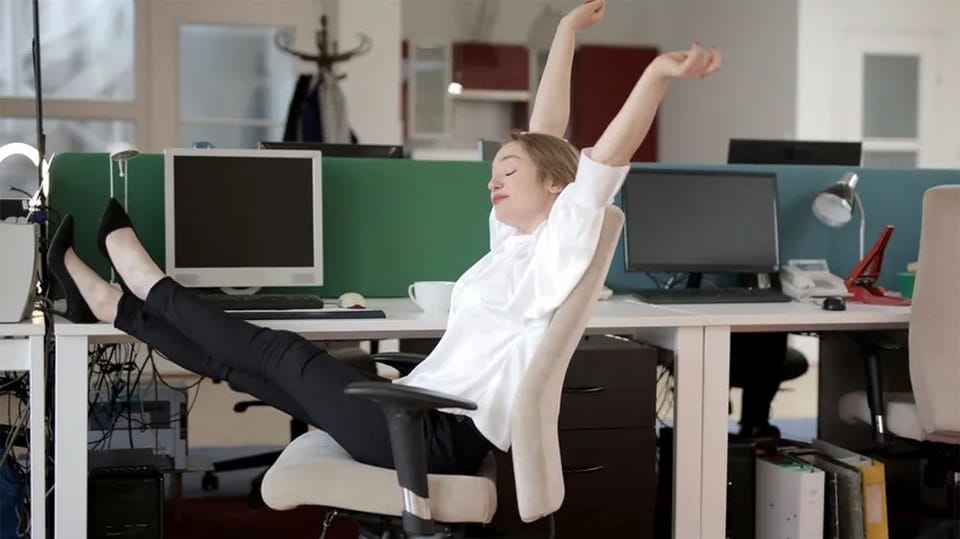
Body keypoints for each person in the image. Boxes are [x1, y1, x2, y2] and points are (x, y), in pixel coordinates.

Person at [47, 0, 722, 475]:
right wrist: (567, 30)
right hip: (419, 409)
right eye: (494, 170)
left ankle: (148, 283)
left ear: (554, 187)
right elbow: (544, 130)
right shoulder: (512, 241)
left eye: (509, 171)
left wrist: (656, 76)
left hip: (437, 436)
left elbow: (600, 160)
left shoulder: (563, 240)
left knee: (279, 350)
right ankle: (118, 305)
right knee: (241, 367)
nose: (494, 179)